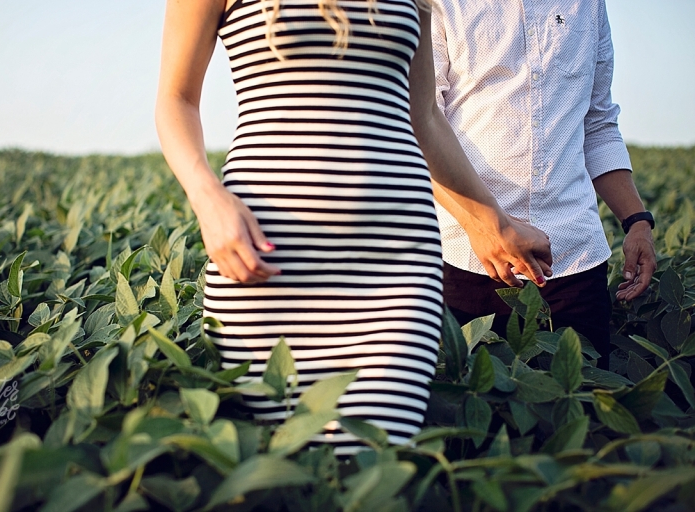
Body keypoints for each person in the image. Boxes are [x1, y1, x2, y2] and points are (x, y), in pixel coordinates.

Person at [155, 0, 550, 454]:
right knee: (274, 470)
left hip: (394, 269)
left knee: (369, 465)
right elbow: (176, 99)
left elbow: (423, 117)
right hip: (268, 261)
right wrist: (207, 198)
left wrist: (494, 222)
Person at [429, 0, 657, 369]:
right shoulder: (442, 3)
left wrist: (637, 221)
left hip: (574, 264)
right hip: (465, 260)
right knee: (467, 419)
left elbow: (597, 124)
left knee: (576, 415)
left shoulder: (589, 6)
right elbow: (423, 123)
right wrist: (483, 225)